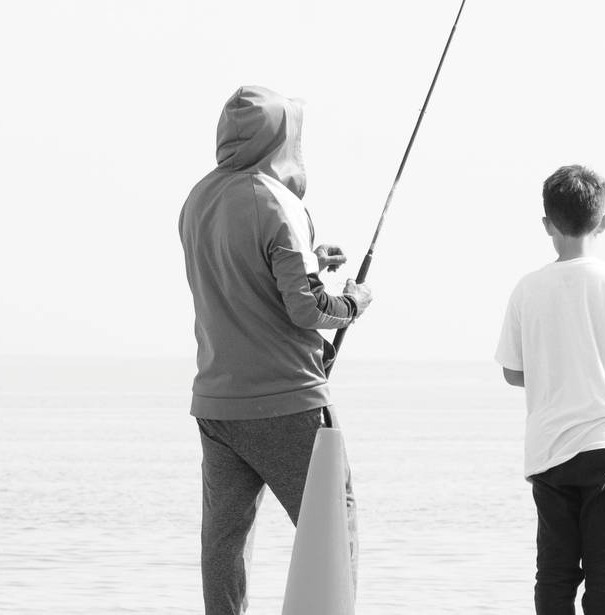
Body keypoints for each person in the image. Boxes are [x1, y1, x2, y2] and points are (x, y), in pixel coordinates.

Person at [179, 85, 369, 615]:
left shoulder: (197, 199)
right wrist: (353, 302)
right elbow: (308, 309)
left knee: (224, 543)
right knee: (333, 522)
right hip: (288, 401)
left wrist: (308, 252)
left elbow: (242, 271)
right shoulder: (279, 202)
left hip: (217, 404)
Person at [495, 164, 605, 615]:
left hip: (550, 449)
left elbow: (513, 372)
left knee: (555, 571)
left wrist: (555, 368)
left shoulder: (526, 288)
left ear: (547, 225)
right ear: (604, 222)